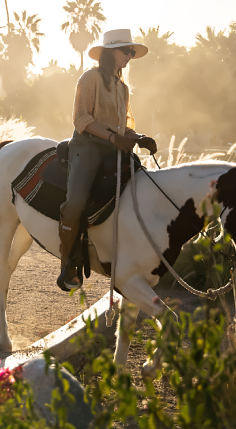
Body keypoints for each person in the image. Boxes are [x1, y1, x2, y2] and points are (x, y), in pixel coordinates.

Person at [58, 29, 157, 290]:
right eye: (126, 50)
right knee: (76, 202)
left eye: (132, 52)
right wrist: (113, 139)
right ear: (109, 52)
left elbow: (123, 126)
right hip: (88, 146)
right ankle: (67, 263)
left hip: (114, 147)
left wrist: (140, 138)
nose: (130, 55)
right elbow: (81, 119)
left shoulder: (123, 88)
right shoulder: (89, 79)